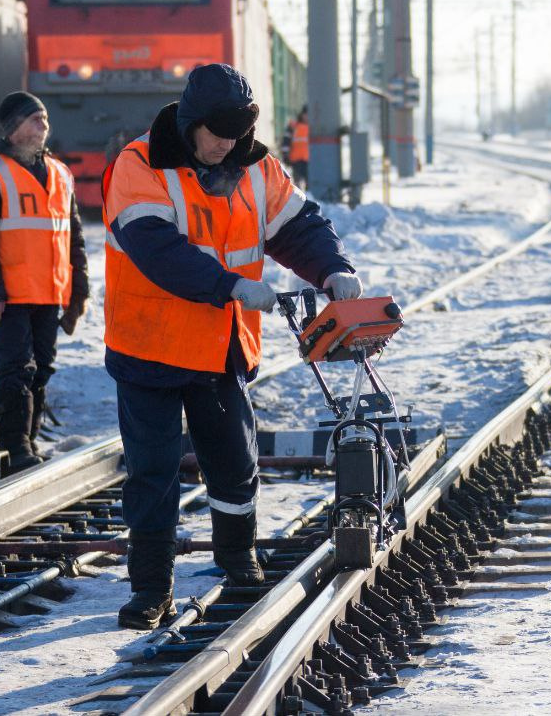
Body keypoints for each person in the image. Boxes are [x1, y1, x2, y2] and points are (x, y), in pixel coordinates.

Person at [102, 64, 362, 630]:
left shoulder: (255, 166)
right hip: (151, 344)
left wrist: (332, 269)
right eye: (217, 134)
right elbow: (156, 251)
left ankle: (237, 559)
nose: (226, 145)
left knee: (235, 461)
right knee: (153, 469)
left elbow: (299, 228)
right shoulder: (138, 165)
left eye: (236, 135)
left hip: (221, 347)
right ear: (191, 122)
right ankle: (151, 590)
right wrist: (231, 285)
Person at [0, 92, 89, 474]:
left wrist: (78, 292)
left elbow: (75, 239)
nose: (44, 125)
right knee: (16, 368)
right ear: (14, 129)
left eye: (46, 118)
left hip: (51, 291)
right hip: (13, 293)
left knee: (43, 368)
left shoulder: (61, 174)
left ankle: (29, 442)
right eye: (35, 119)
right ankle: (13, 445)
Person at [289, 106, 309, 188]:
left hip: (308, 160)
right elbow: (286, 142)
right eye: (305, 114)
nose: (307, 116)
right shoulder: (293, 126)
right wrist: (286, 155)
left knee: (310, 184)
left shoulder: (314, 128)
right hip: (295, 160)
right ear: (302, 115)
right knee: (297, 186)